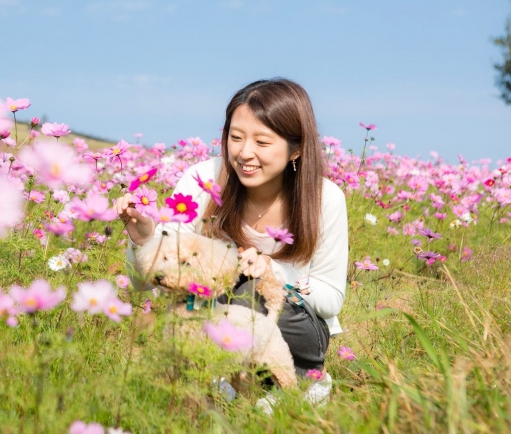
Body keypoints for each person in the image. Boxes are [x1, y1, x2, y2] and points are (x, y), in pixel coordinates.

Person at [115, 78, 348, 405]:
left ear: (297, 148)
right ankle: (227, 386)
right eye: (235, 137)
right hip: (210, 325)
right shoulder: (203, 179)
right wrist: (145, 241)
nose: (244, 153)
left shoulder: (324, 199)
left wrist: (273, 270)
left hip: (293, 329)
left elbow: (331, 299)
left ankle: (301, 383)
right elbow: (145, 284)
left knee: (245, 291)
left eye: (262, 142)